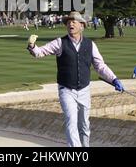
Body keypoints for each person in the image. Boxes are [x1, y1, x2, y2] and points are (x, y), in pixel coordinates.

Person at [26, 11, 124, 147]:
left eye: (74, 21)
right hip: (66, 90)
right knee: (71, 122)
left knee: (84, 125)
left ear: (82, 26)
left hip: (84, 90)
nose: (70, 23)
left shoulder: (90, 45)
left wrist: (114, 79)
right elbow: (40, 52)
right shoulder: (60, 42)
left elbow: (100, 66)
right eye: (68, 22)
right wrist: (32, 46)